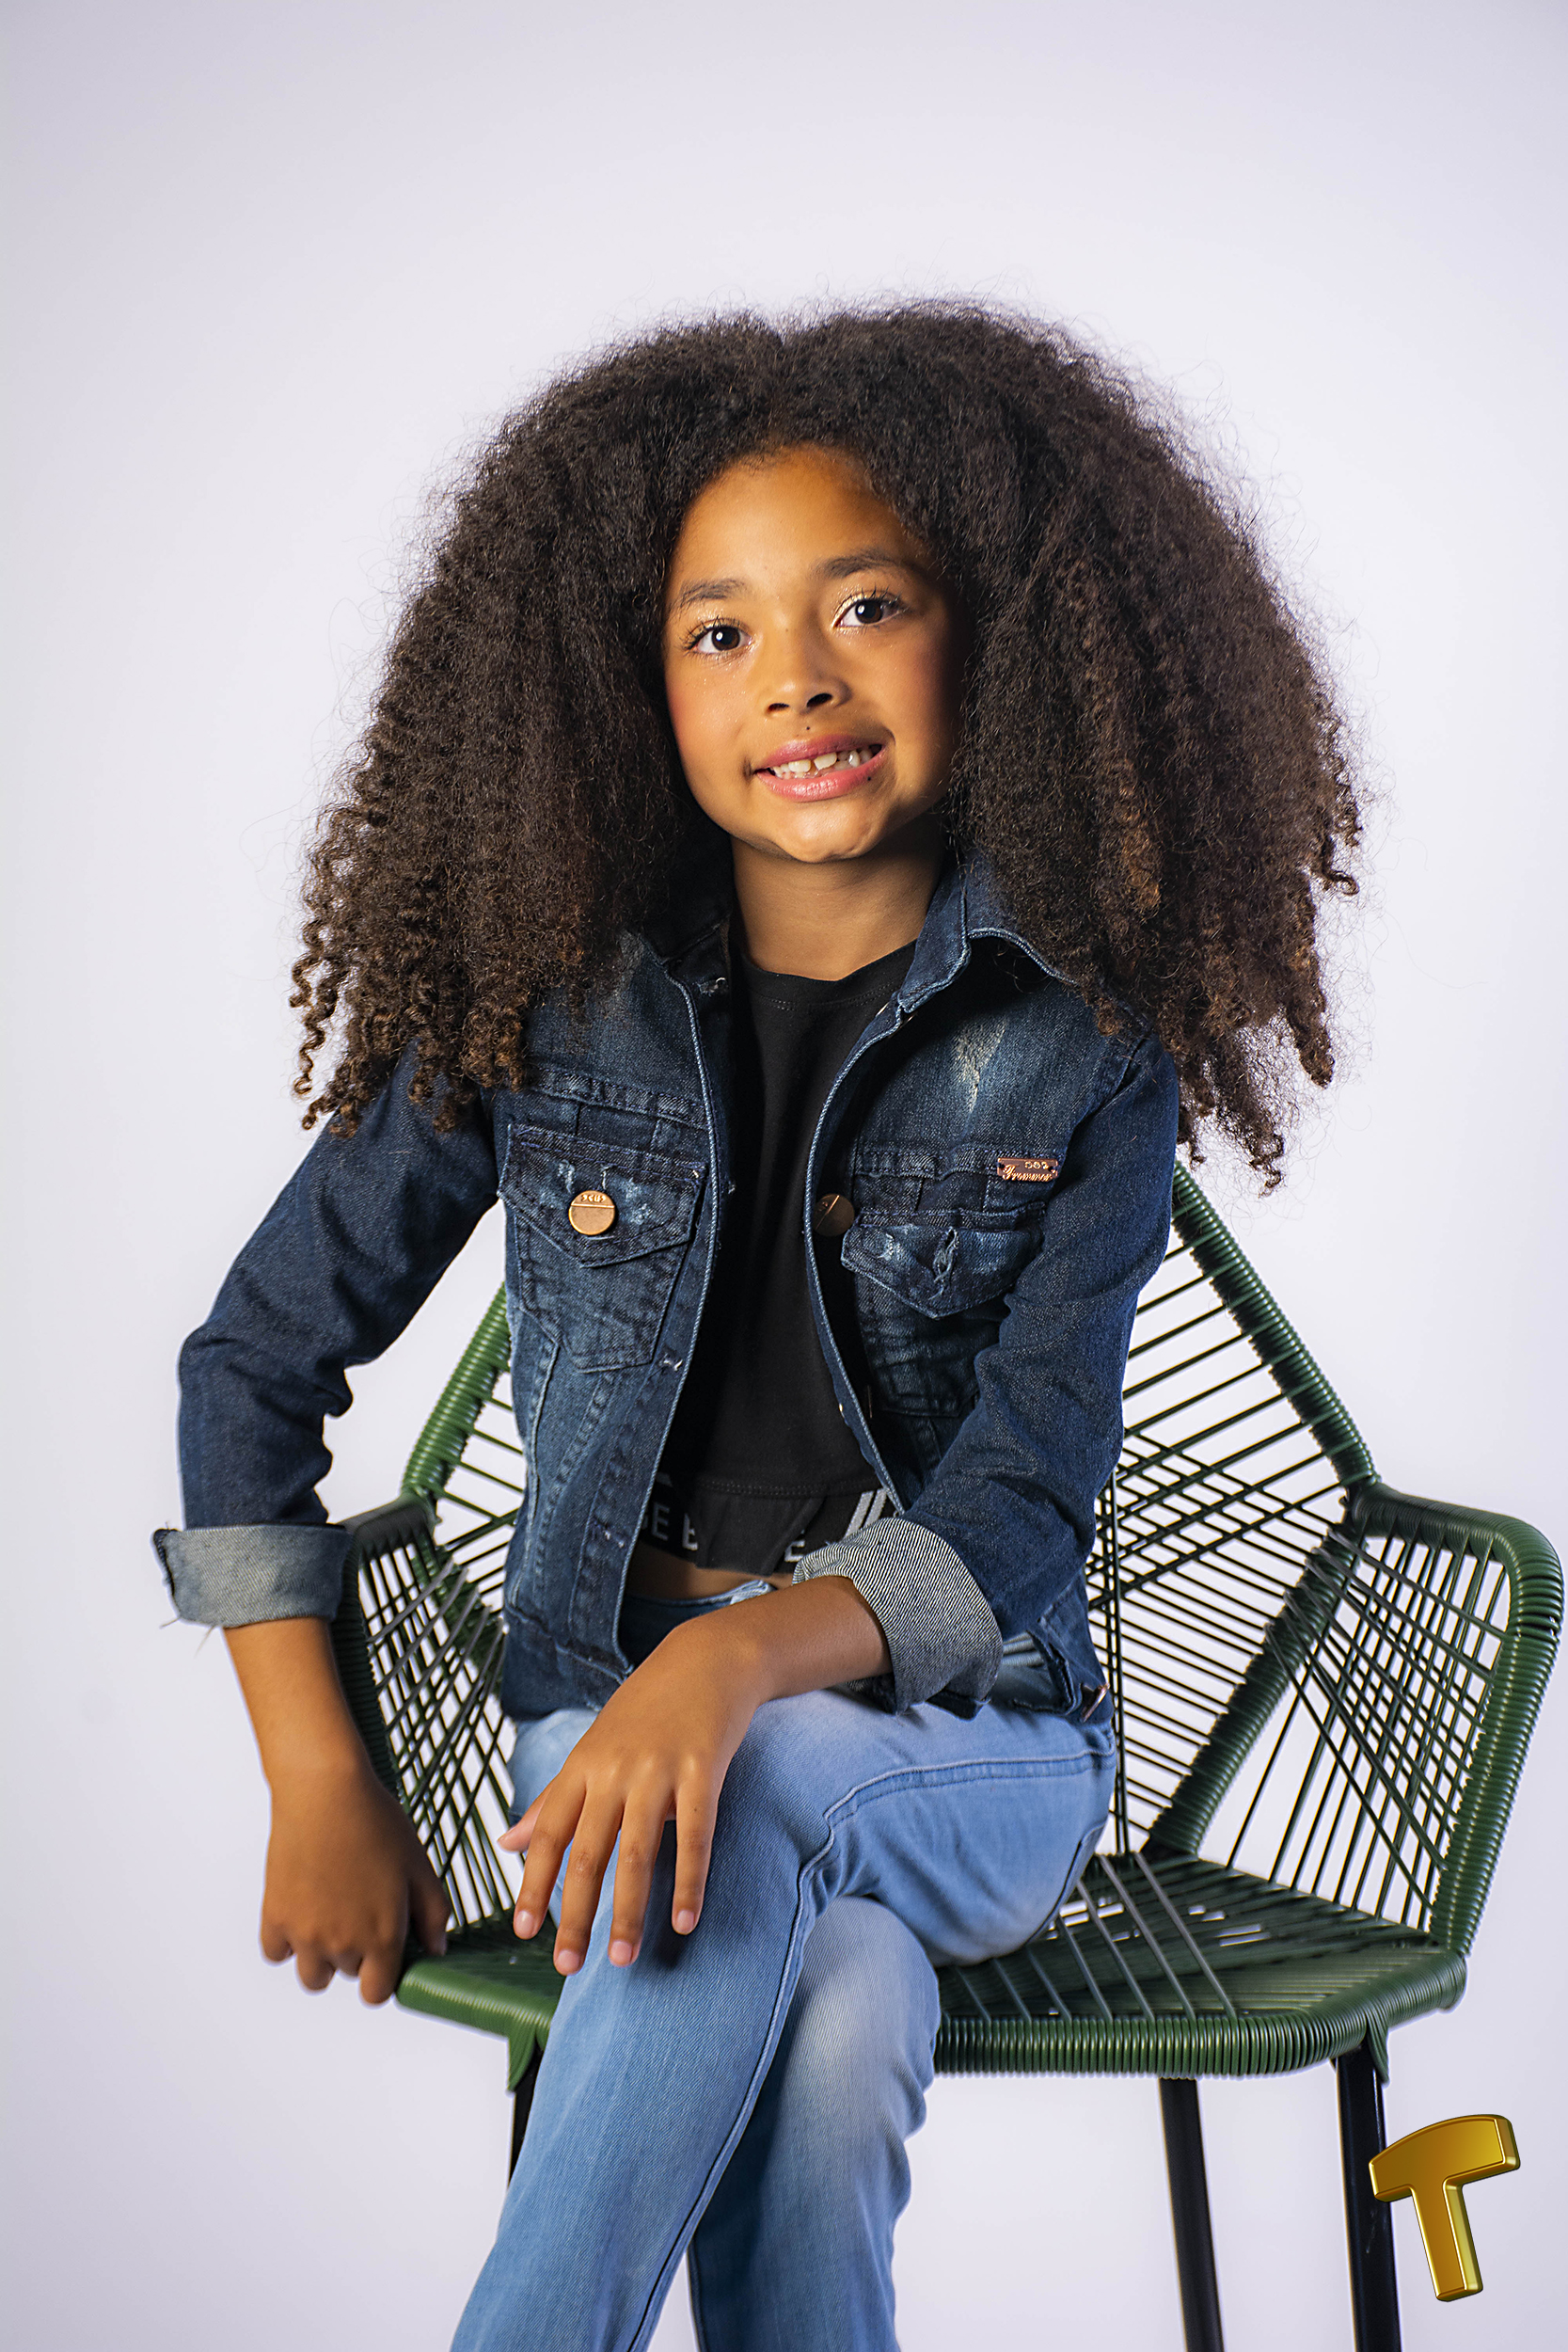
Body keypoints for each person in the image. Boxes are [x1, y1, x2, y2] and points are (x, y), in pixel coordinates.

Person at [153, 306, 1361, 2350]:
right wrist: (313, 1771)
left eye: (867, 605)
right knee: (840, 2015)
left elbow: (1018, 1508)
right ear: (617, 687)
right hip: (605, 1727)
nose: (796, 674)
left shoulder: (1087, 1045)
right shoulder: (545, 993)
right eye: (718, 631)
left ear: (1004, 645)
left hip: (976, 1756)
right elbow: (253, 1362)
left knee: (768, 1779)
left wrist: (732, 1658)